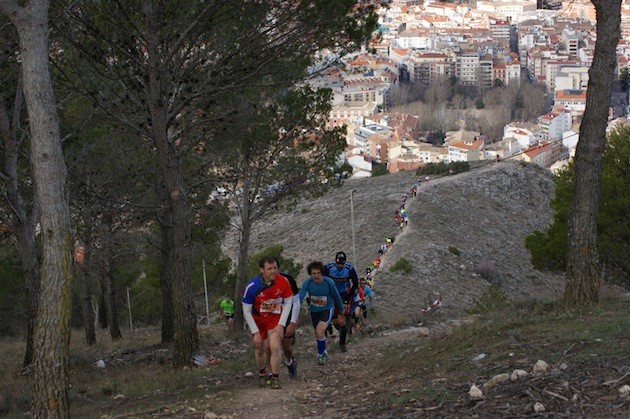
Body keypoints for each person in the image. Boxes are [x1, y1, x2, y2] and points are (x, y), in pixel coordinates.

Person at [242, 256, 293, 389]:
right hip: (258, 320)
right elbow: (246, 311)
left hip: (274, 319)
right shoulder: (252, 286)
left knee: (274, 346)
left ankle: (275, 377)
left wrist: (281, 324)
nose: (273, 272)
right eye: (269, 269)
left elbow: (288, 302)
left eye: (275, 268)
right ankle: (262, 372)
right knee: (260, 349)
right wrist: (255, 332)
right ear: (262, 270)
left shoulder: (284, 281)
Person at [299, 261, 345, 365]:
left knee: (320, 331)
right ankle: (324, 351)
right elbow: (301, 295)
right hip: (314, 311)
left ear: (322, 273)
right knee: (318, 334)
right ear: (310, 274)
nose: (316, 276)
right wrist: (295, 307)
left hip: (327, 309)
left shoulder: (329, 282)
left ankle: (321, 355)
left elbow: (336, 296)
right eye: (313, 273)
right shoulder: (307, 283)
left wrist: (341, 311)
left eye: (318, 273)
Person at [322, 251, 359, 353]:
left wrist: (349, 294)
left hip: (343, 296)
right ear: (335, 261)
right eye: (338, 264)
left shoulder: (349, 268)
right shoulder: (328, 267)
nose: (340, 266)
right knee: (334, 321)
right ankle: (344, 332)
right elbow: (322, 279)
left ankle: (342, 344)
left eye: (342, 264)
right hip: (332, 296)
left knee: (342, 319)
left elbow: (355, 282)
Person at [275, 258, 300, 379]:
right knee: (271, 345)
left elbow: (296, 302)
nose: (272, 272)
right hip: (271, 316)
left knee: (287, 346)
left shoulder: (288, 280)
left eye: (275, 268)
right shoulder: (260, 282)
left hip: (287, 315)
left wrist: (293, 322)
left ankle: (290, 361)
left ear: (279, 269)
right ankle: (272, 374)